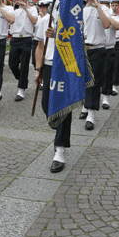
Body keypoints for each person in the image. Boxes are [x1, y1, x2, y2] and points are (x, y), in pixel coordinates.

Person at [34, 13, 72, 173]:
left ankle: (60, 150)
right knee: (47, 105)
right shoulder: (45, 19)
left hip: (67, 64)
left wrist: (57, 34)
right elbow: (40, 46)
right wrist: (38, 69)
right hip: (49, 65)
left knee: (63, 107)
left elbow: (78, 43)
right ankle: (58, 128)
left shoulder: (74, 17)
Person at [79, 0, 112, 131]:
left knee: (94, 81)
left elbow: (107, 25)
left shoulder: (104, 8)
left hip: (98, 49)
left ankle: (91, 114)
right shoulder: (81, 10)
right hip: (82, 49)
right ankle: (86, 105)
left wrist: (98, 6)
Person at [8, 0, 38, 101]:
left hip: (26, 39)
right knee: (12, 64)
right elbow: (9, 21)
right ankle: (22, 79)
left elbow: (35, 21)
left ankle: (21, 89)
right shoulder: (13, 10)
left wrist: (26, 9)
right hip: (15, 38)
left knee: (25, 64)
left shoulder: (33, 9)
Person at [99, 0, 119, 110]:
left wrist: (108, 17)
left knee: (107, 74)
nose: (104, 7)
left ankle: (106, 98)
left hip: (109, 48)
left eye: (106, 5)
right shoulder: (96, 16)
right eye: (102, 4)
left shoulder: (114, 19)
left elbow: (117, 26)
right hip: (97, 48)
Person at [32, 0, 50, 70]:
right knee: (34, 60)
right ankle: (37, 70)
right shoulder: (36, 17)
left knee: (43, 58)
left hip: (44, 41)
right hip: (36, 40)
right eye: (40, 8)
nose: (42, 10)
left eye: (43, 8)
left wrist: (43, 18)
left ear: (46, 9)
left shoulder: (48, 18)